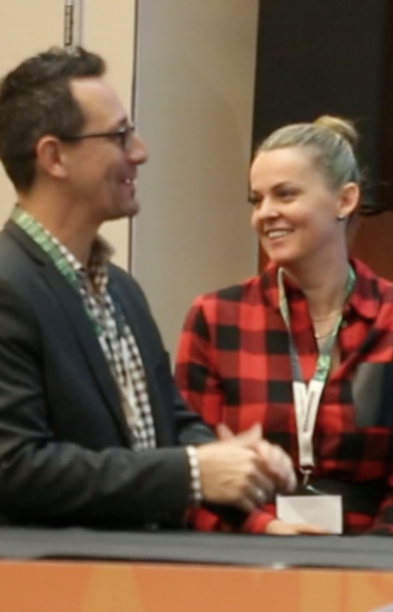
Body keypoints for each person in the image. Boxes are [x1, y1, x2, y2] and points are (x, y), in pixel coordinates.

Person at [0, 47, 296, 529]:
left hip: (137, 581)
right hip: (49, 590)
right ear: (54, 157)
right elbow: (15, 467)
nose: (140, 151)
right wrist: (194, 473)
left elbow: (169, 424)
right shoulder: (8, 287)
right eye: (120, 136)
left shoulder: (121, 290)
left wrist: (236, 460)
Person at [175, 116, 393, 535]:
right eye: (257, 199)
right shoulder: (216, 317)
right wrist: (264, 529)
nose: (266, 214)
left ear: (345, 201)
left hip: (374, 565)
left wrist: (366, 562)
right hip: (245, 556)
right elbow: (191, 466)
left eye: (285, 195)